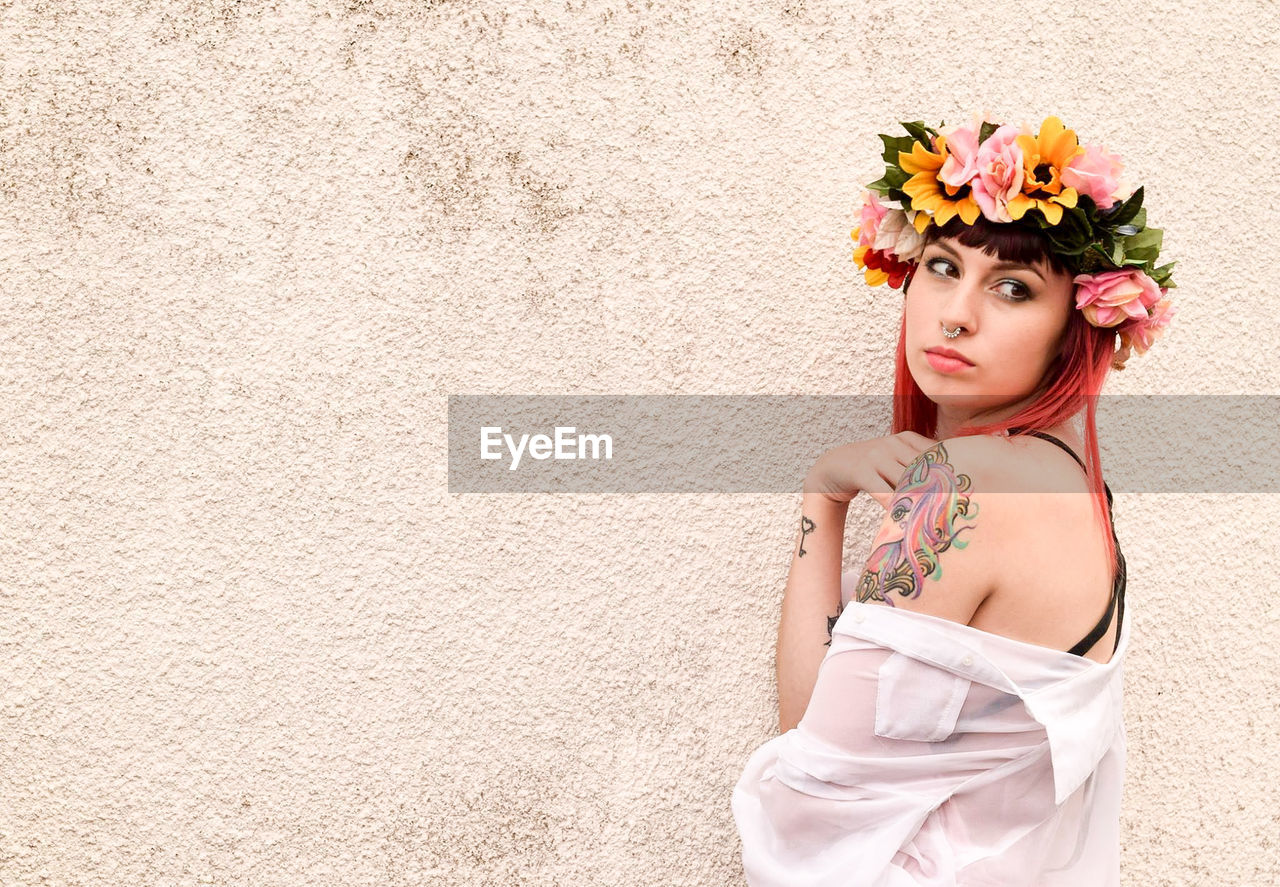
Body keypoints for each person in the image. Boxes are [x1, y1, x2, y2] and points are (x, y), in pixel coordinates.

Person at [731, 113, 1178, 886]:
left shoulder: (962, 484)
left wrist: (820, 495)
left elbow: (811, 784)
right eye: (941, 266)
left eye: (1012, 287)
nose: (957, 312)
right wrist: (827, 489)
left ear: (1075, 329)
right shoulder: (1077, 489)